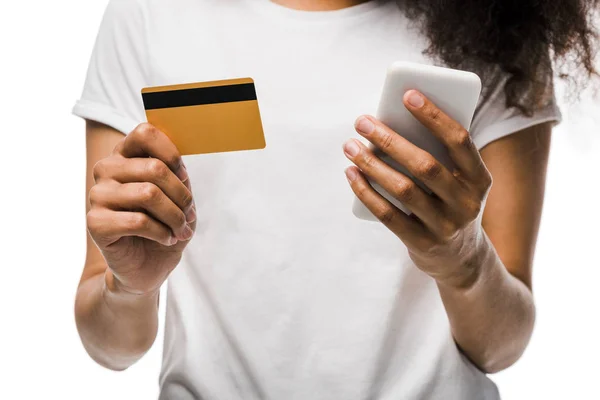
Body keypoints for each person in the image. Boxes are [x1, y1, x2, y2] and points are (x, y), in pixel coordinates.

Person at [72, 0, 598, 399]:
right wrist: (128, 288)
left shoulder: (501, 19)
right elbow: (109, 346)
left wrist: (464, 262)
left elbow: (502, 346)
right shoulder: (149, 13)